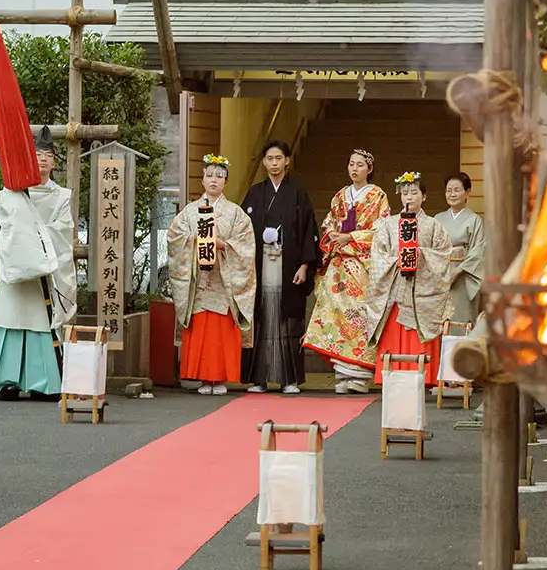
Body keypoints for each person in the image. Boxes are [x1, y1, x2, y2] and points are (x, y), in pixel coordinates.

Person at [0, 126, 77, 401]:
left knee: (40, 321)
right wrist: (29, 241)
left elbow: (63, 229)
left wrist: (37, 241)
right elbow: (7, 224)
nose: (43, 159)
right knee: (11, 318)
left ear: (55, 162)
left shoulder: (61, 196)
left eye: (48, 155)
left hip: (44, 273)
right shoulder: (11, 193)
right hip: (18, 267)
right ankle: (5, 381)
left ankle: (43, 382)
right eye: (37, 154)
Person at [302, 149, 391, 394]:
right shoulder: (341, 195)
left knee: (358, 314)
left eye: (360, 165)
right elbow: (329, 221)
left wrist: (350, 237)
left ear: (369, 169)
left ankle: (361, 376)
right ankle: (342, 374)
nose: (354, 169)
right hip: (339, 264)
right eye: (351, 164)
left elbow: (382, 228)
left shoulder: (377, 196)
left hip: (361, 266)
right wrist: (333, 236)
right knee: (335, 314)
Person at [168, 154, 257, 395]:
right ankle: (203, 379)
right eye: (209, 175)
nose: (214, 180)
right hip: (198, 281)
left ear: (226, 181)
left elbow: (246, 246)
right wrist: (194, 241)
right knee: (201, 330)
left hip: (223, 280)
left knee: (220, 332)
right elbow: (174, 238)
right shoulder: (189, 212)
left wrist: (223, 245)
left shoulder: (236, 214)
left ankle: (219, 379)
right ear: (202, 180)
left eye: (219, 176)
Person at [239, 140, 319, 394]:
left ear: (287, 160)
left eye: (278, 158)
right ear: (263, 162)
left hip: (289, 266)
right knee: (263, 316)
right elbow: (241, 232)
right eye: (269, 159)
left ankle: (289, 379)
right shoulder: (254, 194)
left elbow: (308, 232)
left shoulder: (298, 194)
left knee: (287, 320)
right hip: (261, 264)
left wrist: (305, 265)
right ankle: (258, 378)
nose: (274, 163)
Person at [361, 171, 454, 387]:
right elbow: (378, 255)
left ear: (424, 196)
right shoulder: (387, 225)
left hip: (421, 290)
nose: (409, 197)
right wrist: (397, 260)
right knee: (394, 333)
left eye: (414, 192)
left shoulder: (432, 225)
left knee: (417, 331)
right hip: (395, 288)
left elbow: (443, 253)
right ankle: (391, 375)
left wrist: (421, 255)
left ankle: (425, 375)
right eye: (404, 193)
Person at [433, 171, 486, 325]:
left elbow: (478, 251)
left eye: (457, 190)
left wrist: (457, 271)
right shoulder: (438, 218)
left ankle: (461, 349)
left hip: (464, 275)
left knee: (463, 319)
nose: (452, 194)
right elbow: (430, 248)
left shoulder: (474, 220)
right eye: (448, 190)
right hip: (441, 275)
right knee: (441, 321)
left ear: (467, 192)